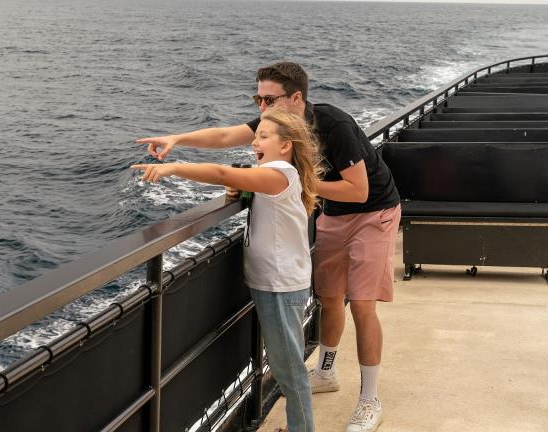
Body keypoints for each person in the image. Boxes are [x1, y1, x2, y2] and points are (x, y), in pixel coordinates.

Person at [136, 62, 401, 432]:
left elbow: (358, 190)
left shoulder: (332, 126)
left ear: (296, 98)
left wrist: (288, 184)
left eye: (269, 99)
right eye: (257, 98)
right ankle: (326, 371)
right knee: (329, 297)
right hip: (333, 214)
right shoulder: (275, 127)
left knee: (360, 302)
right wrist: (177, 140)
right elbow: (227, 137)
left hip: (374, 212)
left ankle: (369, 398)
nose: (262, 108)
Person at [134, 109, 323, 432]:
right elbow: (241, 187)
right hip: (277, 283)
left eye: (264, 137)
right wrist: (237, 193)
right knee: (284, 367)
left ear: (286, 146)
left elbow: (223, 174)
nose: (255, 143)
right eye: (255, 136)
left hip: (280, 286)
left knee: (289, 371)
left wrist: (172, 169)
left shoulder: (280, 173)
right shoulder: (276, 173)